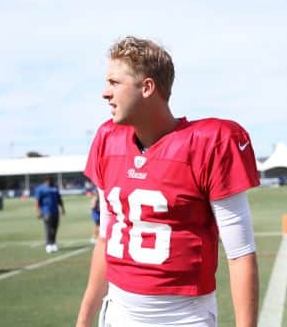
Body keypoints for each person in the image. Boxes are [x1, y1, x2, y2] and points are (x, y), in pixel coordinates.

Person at [76, 36, 259, 327]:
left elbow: (239, 254)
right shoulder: (106, 139)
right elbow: (106, 238)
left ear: (147, 87)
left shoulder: (210, 142)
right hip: (117, 314)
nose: (105, 93)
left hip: (182, 319)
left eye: (114, 82)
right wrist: (84, 320)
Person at [35, 176, 66, 253]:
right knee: (48, 228)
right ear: (46, 180)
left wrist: (62, 208)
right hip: (46, 211)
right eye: (50, 180)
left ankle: (53, 243)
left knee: (55, 228)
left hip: (55, 211)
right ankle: (48, 244)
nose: (51, 182)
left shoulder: (55, 188)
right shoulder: (41, 189)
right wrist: (38, 211)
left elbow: (59, 199)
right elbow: (37, 201)